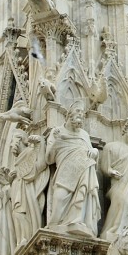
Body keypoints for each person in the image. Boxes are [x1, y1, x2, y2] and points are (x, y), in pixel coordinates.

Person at [45, 101, 100, 237]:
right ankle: (54, 224)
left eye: (82, 117)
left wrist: (94, 151)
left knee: (82, 193)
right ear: (69, 116)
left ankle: (78, 221)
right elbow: (49, 159)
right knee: (60, 196)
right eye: (78, 116)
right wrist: (56, 141)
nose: (80, 120)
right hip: (65, 171)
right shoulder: (57, 131)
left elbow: (91, 150)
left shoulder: (84, 135)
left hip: (82, 169)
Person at [9, 132, 49, 248]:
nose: (11, 145)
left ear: (20, 139)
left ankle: (27, 237)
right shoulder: (18, 160)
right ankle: (21, 240)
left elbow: (41, 165)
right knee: (16, 214)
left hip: (26, 189)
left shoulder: (30, 152)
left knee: (23, 213)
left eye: (13, 141)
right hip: (17, 189)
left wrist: (39, 144)